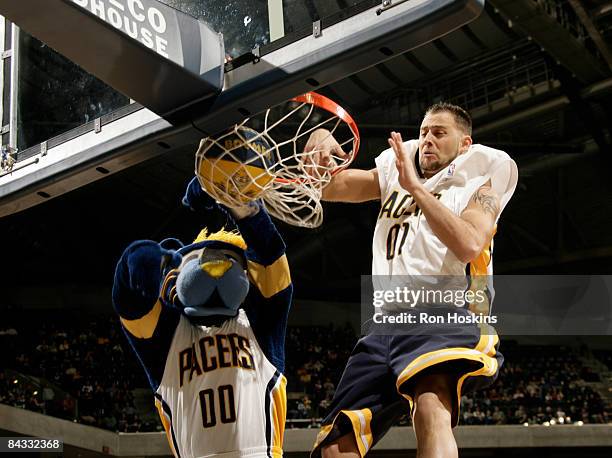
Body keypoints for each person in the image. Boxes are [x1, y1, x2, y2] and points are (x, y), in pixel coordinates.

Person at [306, 103, 518, 458]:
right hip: (384, 323)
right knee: (334, 445)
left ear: (464, 144)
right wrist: (318, 145)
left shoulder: (485, 170)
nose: (427, 140)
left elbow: (468, 243)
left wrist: (416, 188)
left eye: (439, 132)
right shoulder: (397, 165)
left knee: (432, 408)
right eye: (423, 132)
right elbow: (332, 187)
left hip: (444, 311)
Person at [112, 176, 292, 458]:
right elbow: (134, 311)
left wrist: (239, 203)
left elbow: (271, 265)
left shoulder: (259, 324)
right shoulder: (168, 336)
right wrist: (134, 264)